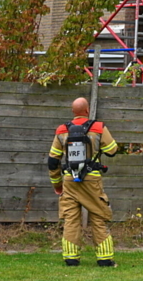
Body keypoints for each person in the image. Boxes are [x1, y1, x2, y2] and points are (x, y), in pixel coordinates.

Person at [47, 97, 119, 267]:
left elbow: (53, 161)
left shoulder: (61, 130)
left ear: (73, 112)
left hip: (70, 181)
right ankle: (105, 259)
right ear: (87, 110)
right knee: (98, 216)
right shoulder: (98, 127)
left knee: (71, 220)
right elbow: (112, 150)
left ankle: (71, 258)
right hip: (92, 180)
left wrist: (57, 184)